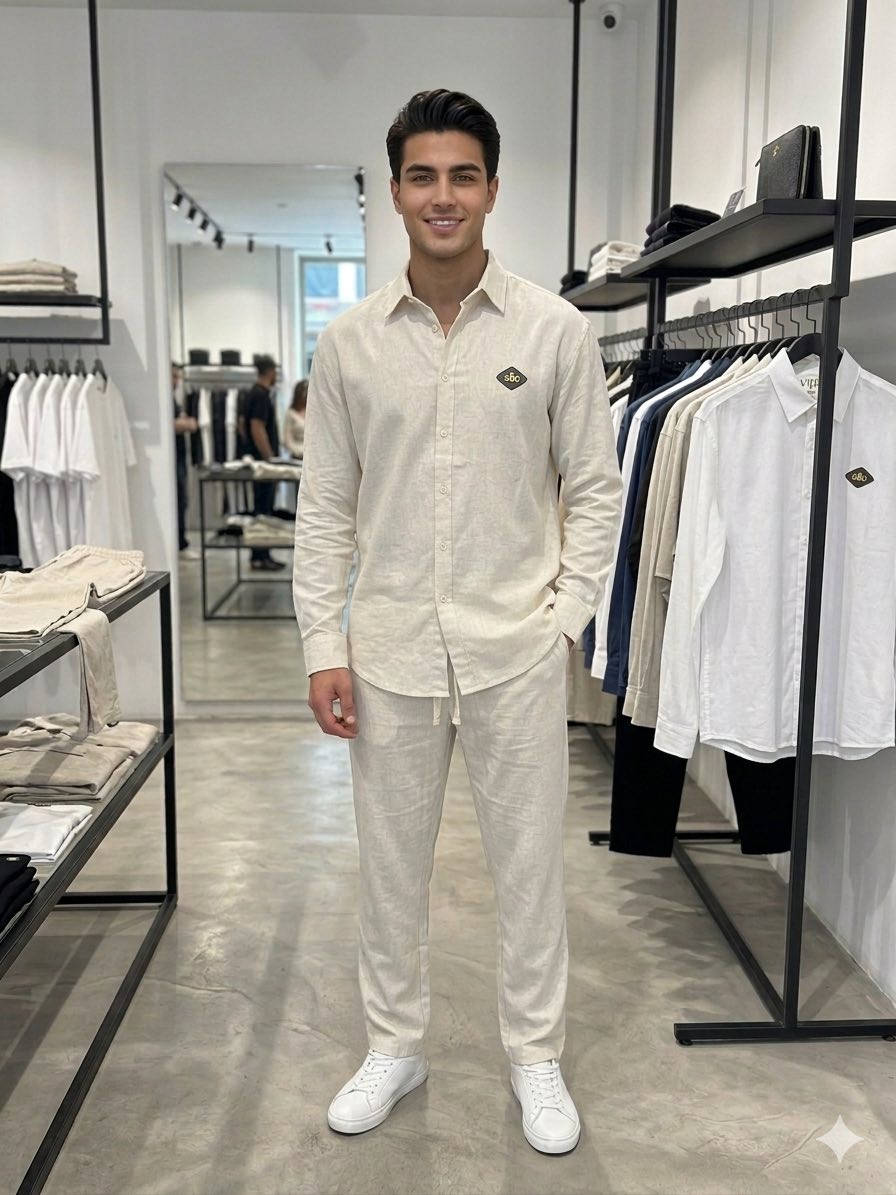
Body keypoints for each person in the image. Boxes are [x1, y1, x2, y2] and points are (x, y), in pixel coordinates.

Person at [293, 90, 622, 1154]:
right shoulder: (349, 344)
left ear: (491, 188)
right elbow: (324, 509)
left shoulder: (554, 330)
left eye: (462, 175)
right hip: (387, 648)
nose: (443, 196)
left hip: (514, 645)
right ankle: (394, 1044)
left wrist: (564, 617)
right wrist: (323, 645)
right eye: (423, 176)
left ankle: (534, 1054)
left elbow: (596, 487)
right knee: (390, 868)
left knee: (528, 867)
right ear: (395, 192)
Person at [245, 353, 285, 572]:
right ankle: (260, 556)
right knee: (263, 511)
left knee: (262, 509)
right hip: (263, 465)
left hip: (257, 462)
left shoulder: (253, 393)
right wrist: (269, 459)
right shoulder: (260, 395)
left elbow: (242, 425)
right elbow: (257, 427)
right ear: (270, 372)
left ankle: (261, 555)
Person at [172, 362, 199, 559]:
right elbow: (173, 424)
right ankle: (180, 545)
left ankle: (181, 542)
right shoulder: (164, 398)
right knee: (179, 499)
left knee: (182, 499)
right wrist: (186, 423)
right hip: (173, 459)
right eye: (174, 376)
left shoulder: (171, 398)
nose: (177, 381)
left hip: (179, 456)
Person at [284, 379, 307, 460]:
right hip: (297, 456)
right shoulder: (290, 413)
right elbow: (287, 440)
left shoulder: (312, 412)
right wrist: (300, 452)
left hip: (313, 456)